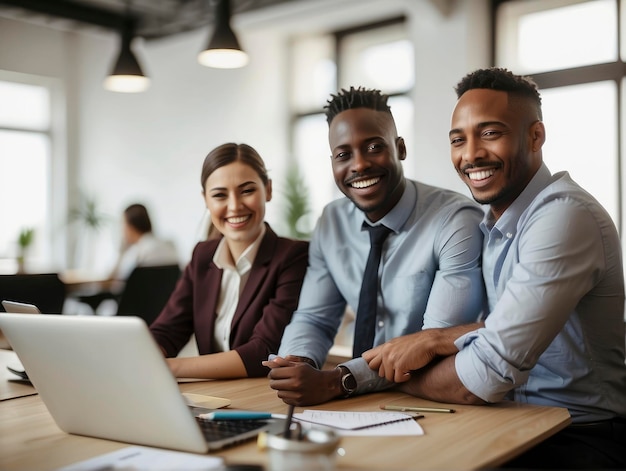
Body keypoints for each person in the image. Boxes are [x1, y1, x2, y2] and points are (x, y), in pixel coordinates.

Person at [363, 68, 626, 468]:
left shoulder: (564, 216)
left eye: (490, 133)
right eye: (458, 140)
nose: (470, 155)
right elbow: (499, 332)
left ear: (535, 136)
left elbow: (484, 375)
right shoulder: (496, 227)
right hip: (513, 422)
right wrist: (439, 338)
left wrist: (415, 362)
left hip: (580, 438)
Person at [263, 86, 486, 405]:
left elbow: (432, 343)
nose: (359, 165)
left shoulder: (454, 220)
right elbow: (314, 318)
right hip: (359, 398)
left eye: (373, 147)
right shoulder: (331, 222)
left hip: (433, 399)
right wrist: (297, 363)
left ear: (400, 148)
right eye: (343, 155)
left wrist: (339, 380)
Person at [149, 143, 309, 379]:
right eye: (219, 195)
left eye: (246, 191)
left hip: (261, 396)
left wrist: (168, 368)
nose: (234, 206)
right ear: (206, 200)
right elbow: (168, 330)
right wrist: (145, 354)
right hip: (214, 397)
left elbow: (263, 352)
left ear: (268, 189)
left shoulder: (293, 256)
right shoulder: (203, 256)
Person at [110, 203, 179, 281]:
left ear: (131, 227)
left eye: (123, 225)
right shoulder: (169, 245)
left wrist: (121, 253)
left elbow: (116, 281)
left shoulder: (137, 253)